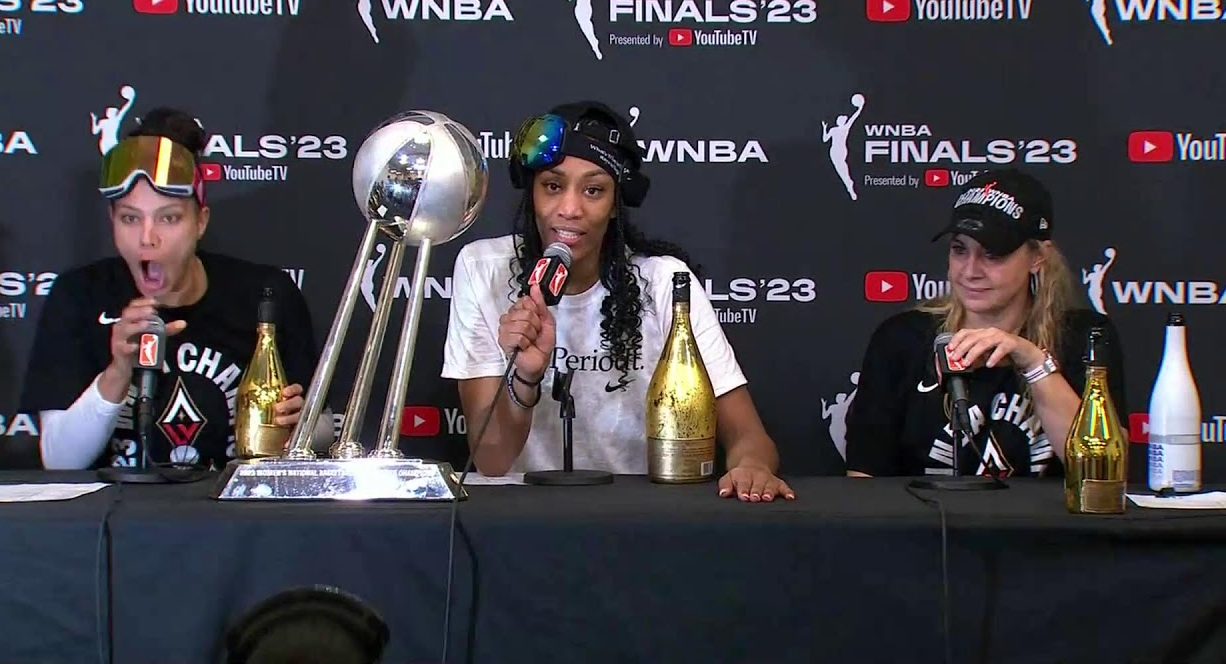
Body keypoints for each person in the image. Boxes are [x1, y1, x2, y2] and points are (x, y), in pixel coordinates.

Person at [441, 100, 793, 502]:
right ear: (532, 194)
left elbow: (750, 436)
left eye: (593, 190)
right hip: (522, 521)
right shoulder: (484, 269)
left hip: (636, 518)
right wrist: (526, 376)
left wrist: (751, 466)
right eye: (552, 186)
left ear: (614, 206)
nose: (569, 210)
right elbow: (491, 462)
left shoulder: (664, 281)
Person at [18, 107, 333, 471]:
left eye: (168, 217)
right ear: (112, 221)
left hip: (233, 520)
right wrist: (119, 371)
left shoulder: (266, 294)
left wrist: (302, 430)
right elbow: (60, 461)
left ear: (200, 222)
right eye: (130, 218)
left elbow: (323, 430)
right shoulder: (80, 296)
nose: (147, 239)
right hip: (117, 521)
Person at [844, 169, 1127, 478]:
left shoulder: (1085, 337)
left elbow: (1103, 474)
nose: (970, 271)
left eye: (992, 254)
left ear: (1037, 257)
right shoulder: (903, 339)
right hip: (930, 525)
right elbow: (864, 480)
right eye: (959, 249)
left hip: (1049, 527)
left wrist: (1032, 361)